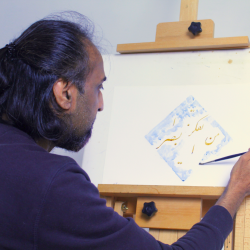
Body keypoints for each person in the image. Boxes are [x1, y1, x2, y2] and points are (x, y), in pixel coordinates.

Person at [0, 11, 249, 250]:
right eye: (99, 88)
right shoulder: (52, 185)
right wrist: (236, 189)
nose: (101, 105)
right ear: (65, 93)